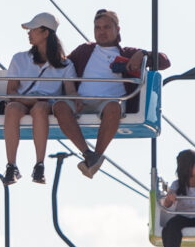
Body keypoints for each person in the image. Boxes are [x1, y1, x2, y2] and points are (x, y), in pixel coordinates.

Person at [54, 9, 168, 178]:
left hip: (109, 104)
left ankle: (97, 154)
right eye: (97, 28)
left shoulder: (126, 53)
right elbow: (61, 65)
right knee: (60, 107)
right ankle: (89, 155)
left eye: (106, 27)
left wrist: (143, 54)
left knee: (114, 108)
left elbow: (165, 61)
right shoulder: (85, 50)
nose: (101, 32)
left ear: (117, 30)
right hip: (81, 102)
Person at [0, 13, 71, 183]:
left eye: (33, 29)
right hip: (23, 101)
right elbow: (11, 91)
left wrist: (79, 102)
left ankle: (39, 164)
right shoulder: (19, 58)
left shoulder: (65, 64)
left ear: (46, 33)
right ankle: (11, 165)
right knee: (12, 108)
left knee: (40, 109)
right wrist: (31, 100)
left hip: (46, 104)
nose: (28, 33)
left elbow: (70, 90)